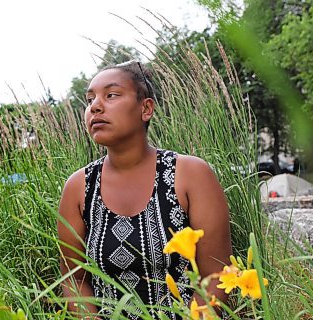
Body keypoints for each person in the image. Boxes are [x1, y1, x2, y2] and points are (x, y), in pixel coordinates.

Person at [57, 61, 232, 319]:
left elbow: (217, 276)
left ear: (146, 108)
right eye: (90, 99)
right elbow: (74, 281)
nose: (95, 106)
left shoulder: (191, 175)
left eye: (111, 95)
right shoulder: (79, 187)